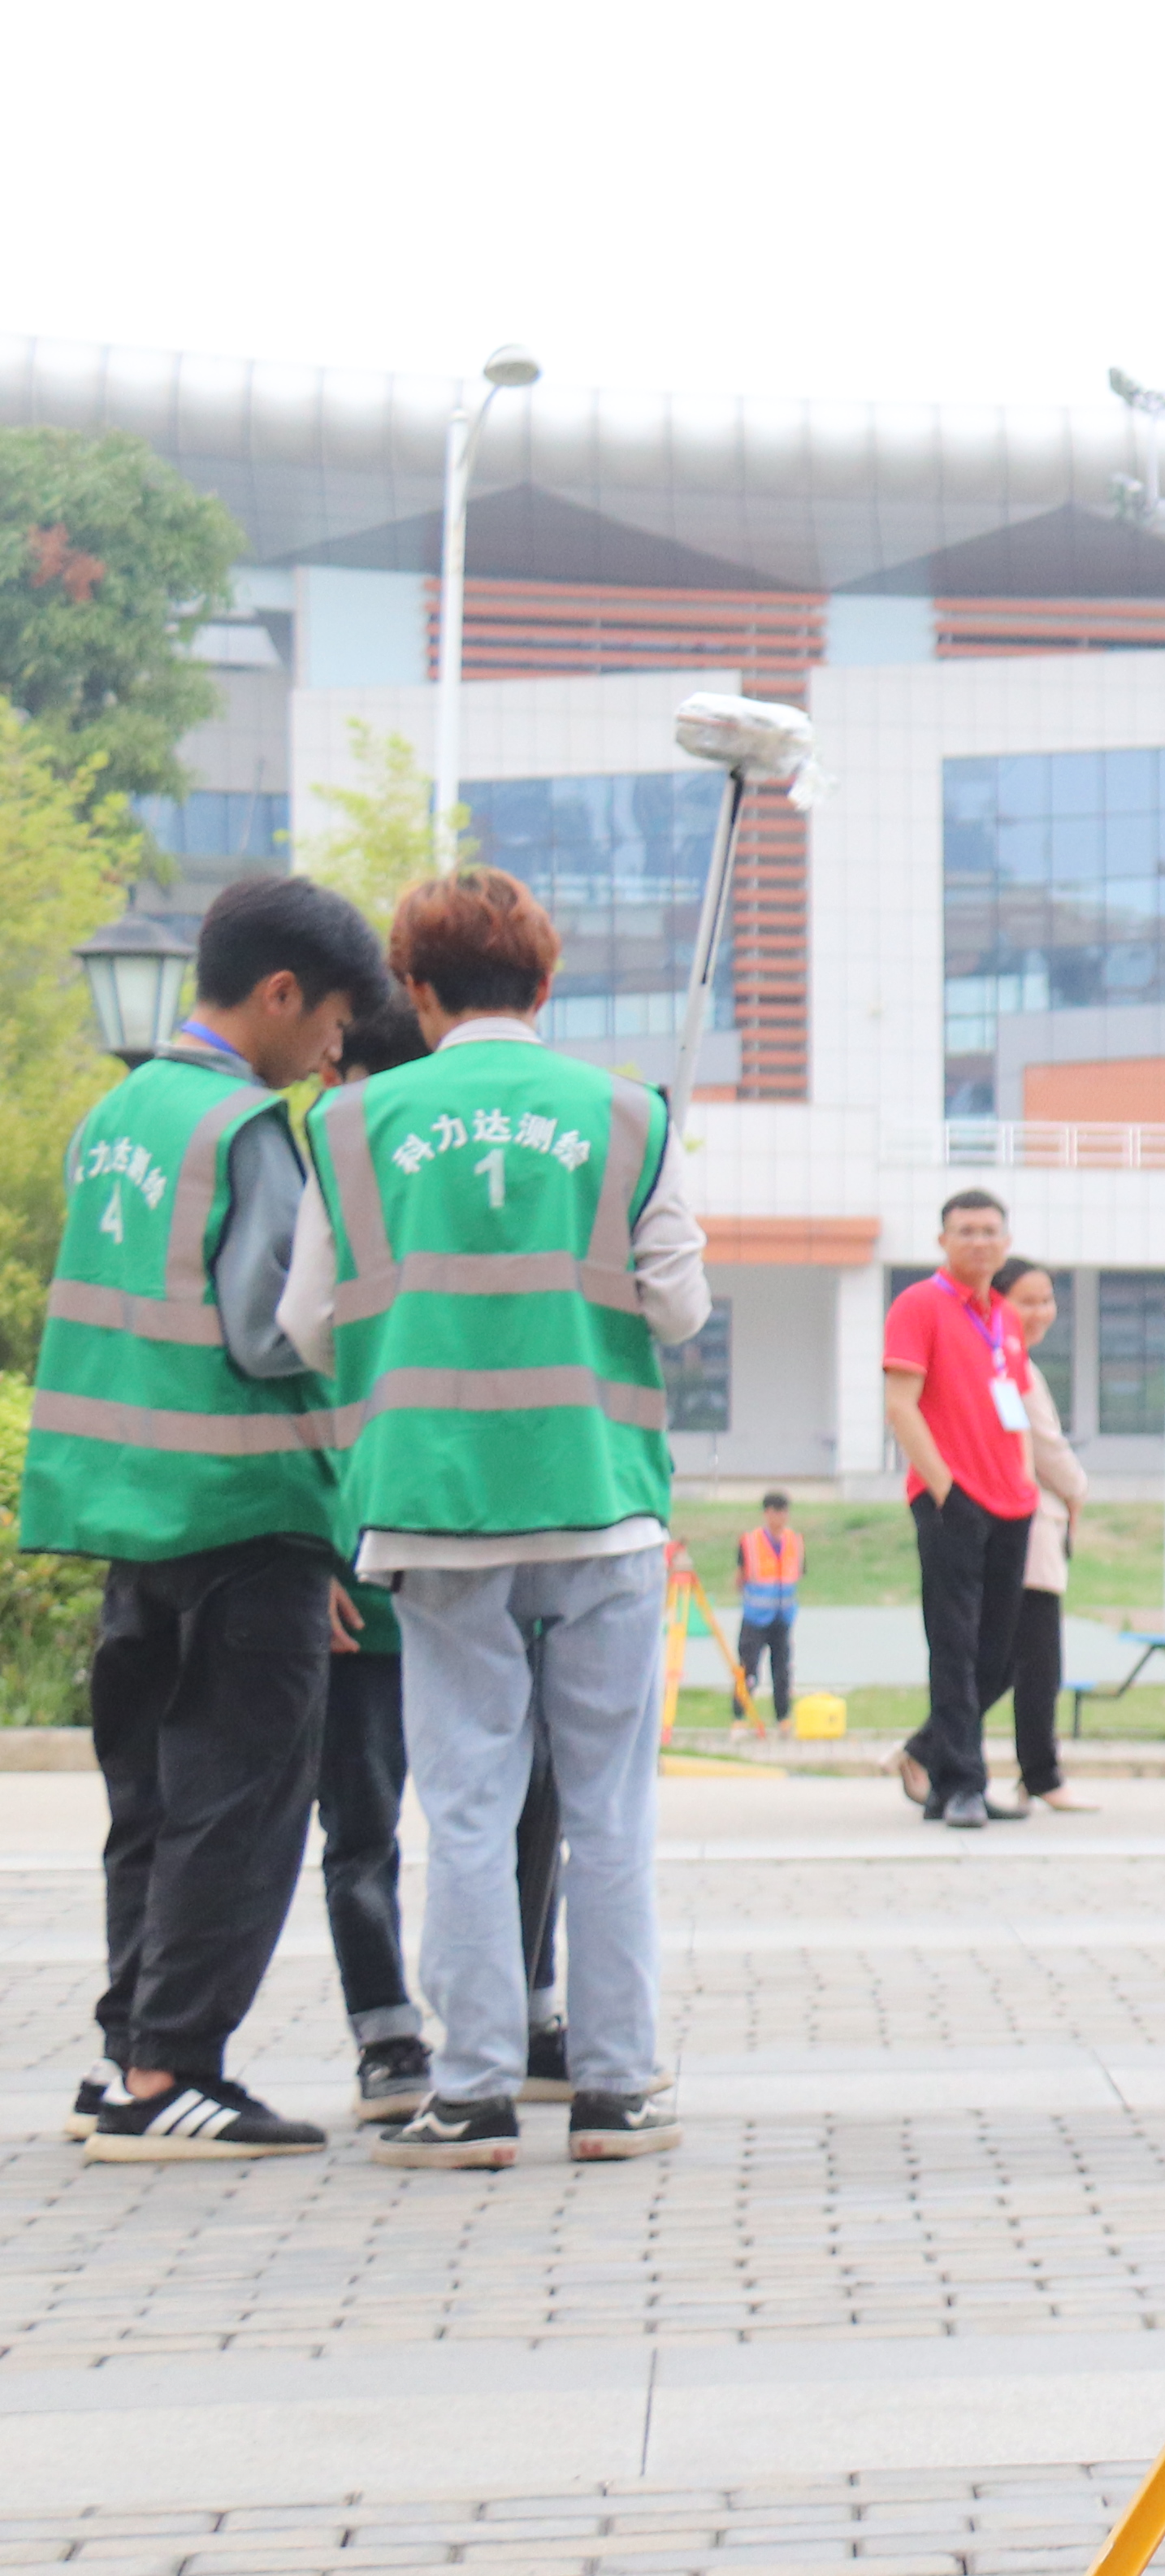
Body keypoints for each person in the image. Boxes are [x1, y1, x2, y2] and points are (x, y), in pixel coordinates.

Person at [280, 866, 699, 2169]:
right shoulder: (628, 1115)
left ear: (412, 988)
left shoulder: (351, 1126)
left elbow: (306, 1324)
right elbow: (681, 1308)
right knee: (608, 1807)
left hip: (435, 1505)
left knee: (465, 1804)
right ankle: (615, 2089)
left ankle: (468, 2095)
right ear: (547, 981)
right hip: (599, 1498)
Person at [24, 877, 383, 2158]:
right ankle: (171, 2072)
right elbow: (277, 1329)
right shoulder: (248, 1132)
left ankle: (129, 2056)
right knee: (240, 1806)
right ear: (280, 993)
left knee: (154, 1806)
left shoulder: (115, 1116)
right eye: (332, 1021)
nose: (333, 1051)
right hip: (243, 1507)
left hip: (131, 1516)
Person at [305, 985, 565, 2128]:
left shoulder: (456, 1194)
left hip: (479, 1553)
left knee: (527, 1804)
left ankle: (530, 2012)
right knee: (363, 1819)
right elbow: (295, 1384)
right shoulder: (329, 1184)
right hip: (365, 1568)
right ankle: (388, 2035)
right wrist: (315, 1557)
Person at [883, 1189, 1034, 1828]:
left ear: (1006, 1242)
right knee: (954, 1645)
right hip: (952, 1501)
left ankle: (940, 1772)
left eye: (990, 1230)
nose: (979, 1241)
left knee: (1000, 1652)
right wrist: (946, 1489)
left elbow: (1015, 1408)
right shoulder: (919, 1305)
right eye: (965, 1230)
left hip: (1012, 1502)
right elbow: (900, 1405)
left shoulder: (1006, 1318)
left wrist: (1025, 1481)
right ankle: (966, 1784)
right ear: (942, 1241)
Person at [997, 1260, 1093, 1816]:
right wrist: (1079, 1491)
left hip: (1034, 1523)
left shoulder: (1016, 1364)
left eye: (1047, 1300)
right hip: (1032, 1524)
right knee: (1035, 1658)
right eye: (1027, 1301)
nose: (1040, 1312)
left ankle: (928, 1750)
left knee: (1011, 1659)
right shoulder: (1014, 1370)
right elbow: (1046, 1447)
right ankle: (1040, 1773)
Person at [734, 1490, 803, 1729]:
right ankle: (740, 1717)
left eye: (784, 1512)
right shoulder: (751, 1542)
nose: (781, 1517)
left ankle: (783, 1717)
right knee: (748, 1669)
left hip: (783, 1617)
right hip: (755, 1618)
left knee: (782, 1671)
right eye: (776, 1512)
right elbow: (740, 1576)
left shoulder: (795, 1541)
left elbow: (797, 1573)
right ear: (767, 1514)